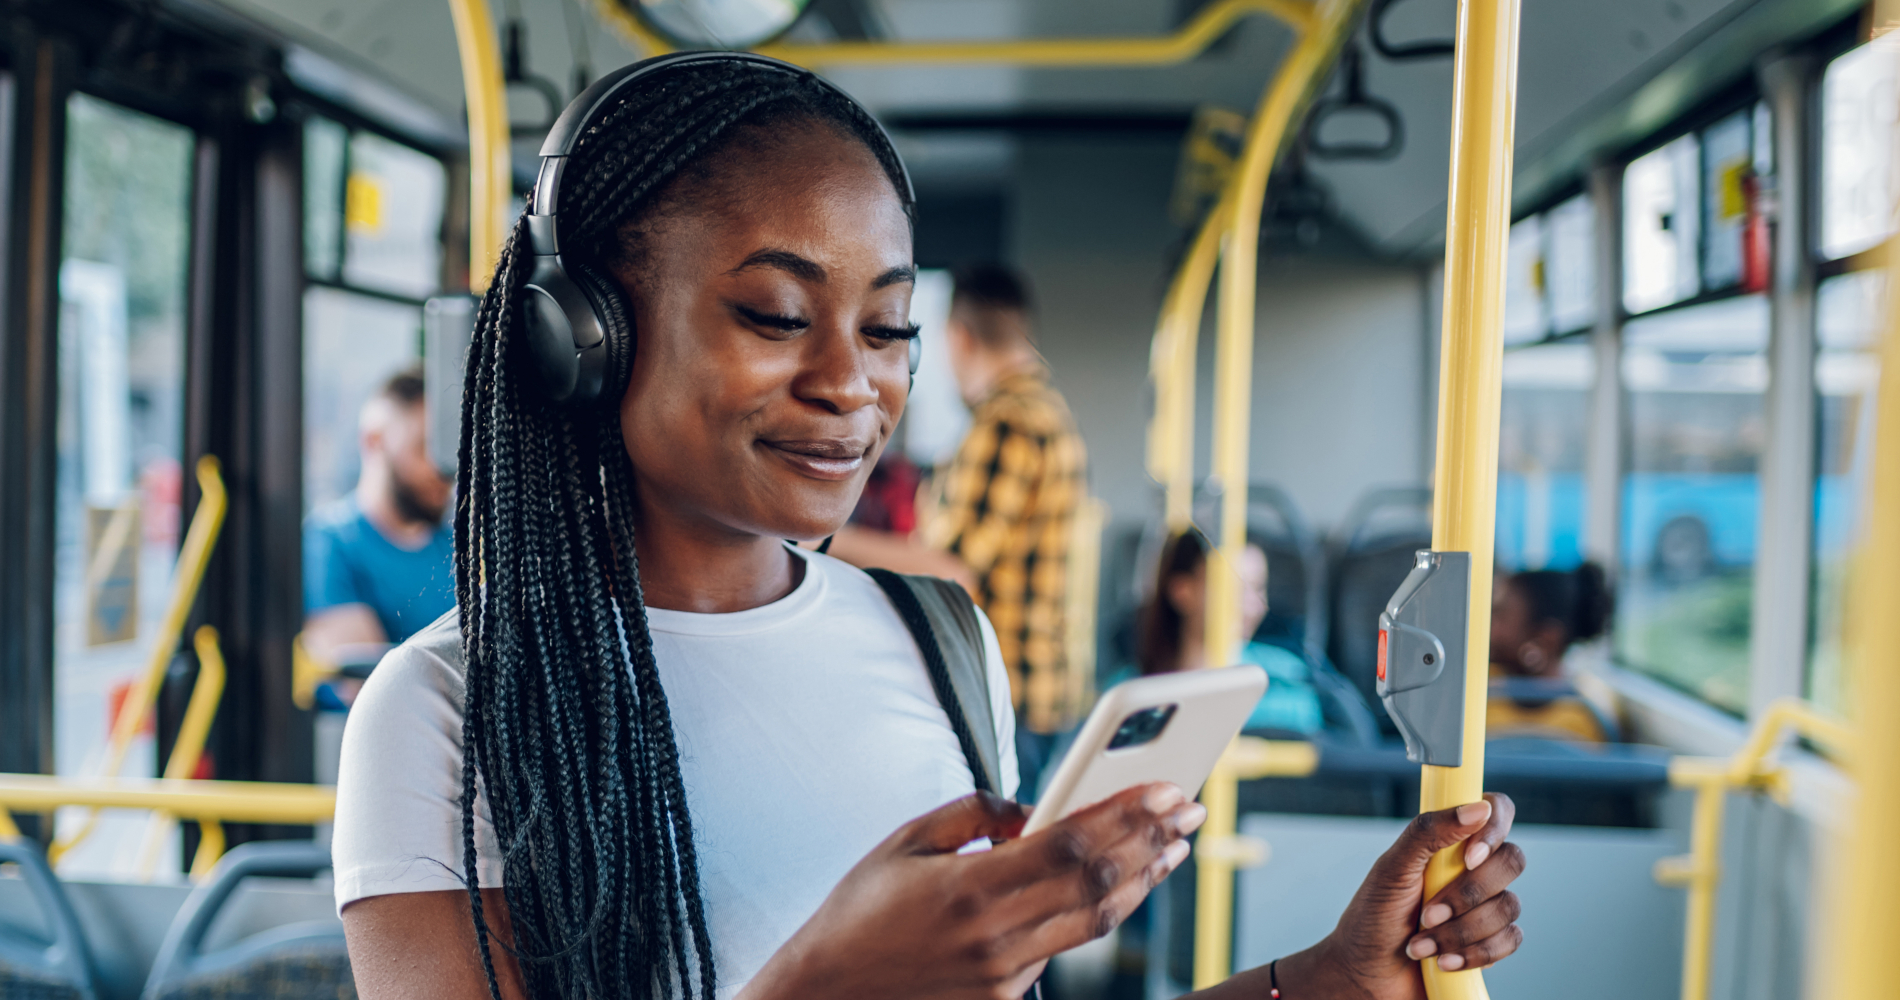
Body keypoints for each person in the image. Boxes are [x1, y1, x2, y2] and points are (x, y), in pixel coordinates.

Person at [334, 53, 1527, 1000]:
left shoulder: (939, 636)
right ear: (581, 336)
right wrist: (825, 988)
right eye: (775, 313)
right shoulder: (442, 711)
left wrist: (1323, 980)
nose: (852, 383)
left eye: (892, 328)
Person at [920, 262, 1091, 791]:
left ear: (959, 338)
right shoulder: (1050, 413)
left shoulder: (1007, 423)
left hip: (1005, 692)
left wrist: (828, 542)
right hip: (1042, 689)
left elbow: (953, 568)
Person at [302, 367, 456, 665]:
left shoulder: (456, 547)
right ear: (374, 441)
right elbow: (364, 686)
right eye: (425, 448)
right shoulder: (328, 543)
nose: (444, 469)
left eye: (448, 451)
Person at [1134, 531, 1323, 735]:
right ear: (1182, 591)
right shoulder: (1131, 693)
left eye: (1258, 588)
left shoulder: (1290, 682)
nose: (1253, 607)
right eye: (1235, 588)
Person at [1487, 563, 1618, 743]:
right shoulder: (1479, 688)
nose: (1487, 626)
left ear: (1544, 640)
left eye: (1500, 616)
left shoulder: (1586, 718)